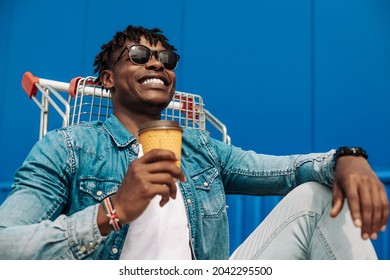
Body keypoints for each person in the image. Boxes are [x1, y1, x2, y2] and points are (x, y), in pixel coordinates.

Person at [0, 25, 388, 260]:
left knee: (317, 198)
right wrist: (113, 209)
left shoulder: (201, 148)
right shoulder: (67, 147)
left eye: (166, 59)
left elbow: (286, 170)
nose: (157, 64)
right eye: (138, 55)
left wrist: (346, 159)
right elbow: (6, 245)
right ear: (107, 79)